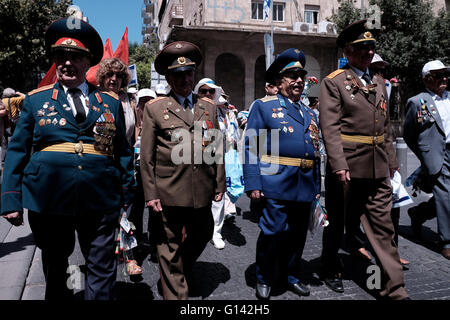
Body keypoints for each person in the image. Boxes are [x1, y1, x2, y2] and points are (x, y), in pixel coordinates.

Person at [0, 17, 134, 300]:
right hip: (49, 198)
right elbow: (17, 150)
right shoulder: (36, 100)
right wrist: (11, 199)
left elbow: (121, 149)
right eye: (61, 56)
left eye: (75, 57)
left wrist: (126, 192)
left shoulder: (109, 102)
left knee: (101, 266)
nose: (67, 63)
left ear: (89, 63)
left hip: (100, 198)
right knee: (56, 265)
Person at [319, 20, 409, 300]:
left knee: (383, 227)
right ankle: (330, 266)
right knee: (337, 222)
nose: (369, 52)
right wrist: (339, 164)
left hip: (378, 167)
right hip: (347, 167)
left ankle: (394, 289)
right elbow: (330, 127)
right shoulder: (334, 82)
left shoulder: (379, 82)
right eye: (362, 47)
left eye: (371, 47)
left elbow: (384, 128)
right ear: (348, 50)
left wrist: (392, 162)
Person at [139, 41, 226, 300]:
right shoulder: (156, 108)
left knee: (202, 233)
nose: (185, 79)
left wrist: (219, 184)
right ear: (168, 77)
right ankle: (177, 292)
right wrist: (150, 193)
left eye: (188, 73)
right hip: (168, 193)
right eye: (178, 75)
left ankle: (180, 269)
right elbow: (147, 157)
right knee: (168, 246)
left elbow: (216, 149)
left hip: (201, 190)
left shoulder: (207, 107)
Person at [243, 48, 321, 299]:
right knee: (273, 233)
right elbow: (252, 147)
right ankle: (264, 276)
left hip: (304, 184)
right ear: (279, 81)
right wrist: (254, 183)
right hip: (275, 181)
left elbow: (314, 151)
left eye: (301, 75)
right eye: (292, 75)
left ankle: (291, 275)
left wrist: (317, 188)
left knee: (297, 236)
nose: (298, 80)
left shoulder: (309, 112)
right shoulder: (264, 107)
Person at [96, 57, 143, 276]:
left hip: (127, 163)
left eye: (118, 75)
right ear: (102, 77)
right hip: (102, 165)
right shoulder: (94, 99)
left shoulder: (129, 100)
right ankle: (104, 259)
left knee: (128, 212)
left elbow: (135, 131)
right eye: (109, 75)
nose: (113, 79)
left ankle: (130, 257)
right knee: (103, 216)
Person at [403, 60, 450, 260]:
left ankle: (419, 214)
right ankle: (446, 242)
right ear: (426, 78)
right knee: (446, 194)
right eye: (438, 75)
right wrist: (424, 154)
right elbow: (408, 134)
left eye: (446, 74)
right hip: (436, 155)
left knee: (444, 197)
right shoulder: (417, 101)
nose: (444, 79)